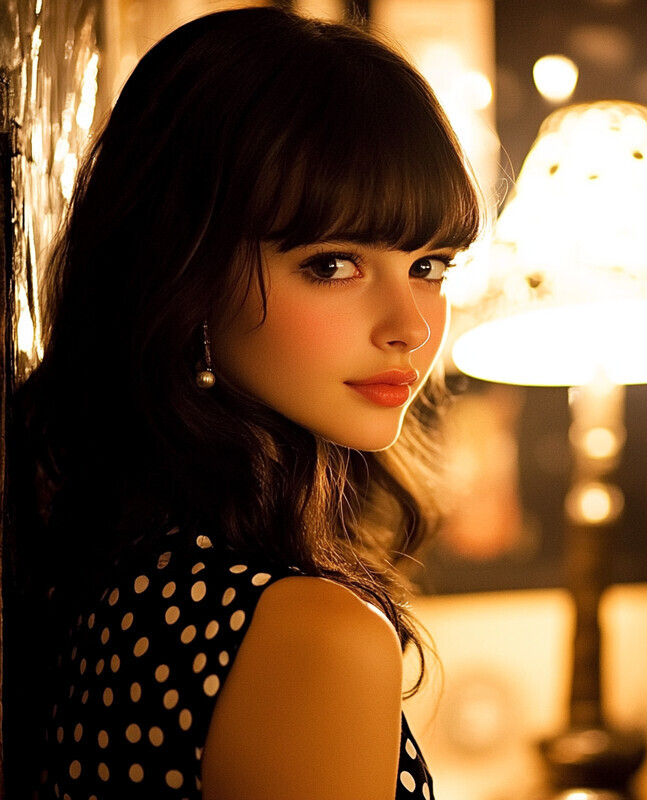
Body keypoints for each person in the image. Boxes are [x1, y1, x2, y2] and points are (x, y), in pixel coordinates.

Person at [5, 6, 483, 799]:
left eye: (430, 265)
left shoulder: (125, 572)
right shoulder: (309, 637)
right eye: (332, 263)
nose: (410, 327)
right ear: (183, 270)